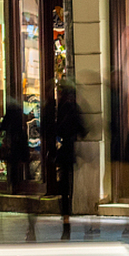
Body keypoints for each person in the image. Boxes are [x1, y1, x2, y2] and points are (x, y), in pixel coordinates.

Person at [42, 81, 87, 239]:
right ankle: (67, 219)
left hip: (61, 151)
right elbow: (83, 130)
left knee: (64, 188)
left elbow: (51, 128)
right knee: (68, 187)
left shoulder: (58, 108)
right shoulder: (73, 108)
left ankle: (66, 220)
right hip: (69, 151)